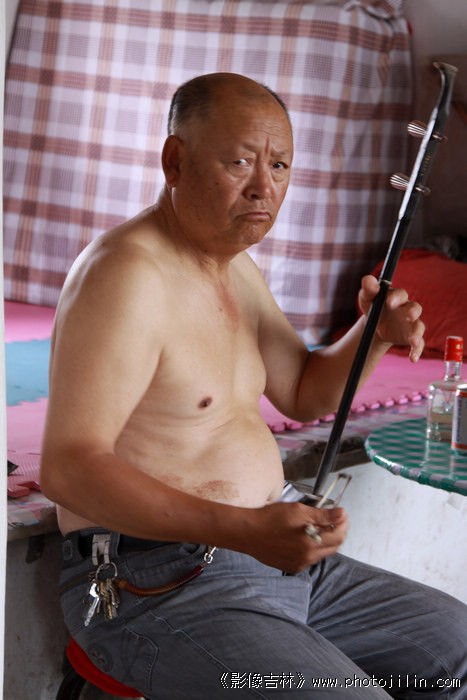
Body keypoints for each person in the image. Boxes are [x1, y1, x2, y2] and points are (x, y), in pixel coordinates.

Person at [41, 72, 467, 699]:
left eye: (280, 165)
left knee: (455, 651)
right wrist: (246, 530)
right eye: (240, 162)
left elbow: (303, 391)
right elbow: (69, 469)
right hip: (157, 587)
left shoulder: (235, 268)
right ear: (175, 161)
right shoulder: (126, 276)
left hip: (274, 567)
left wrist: (373, 333)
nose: (264, 187)